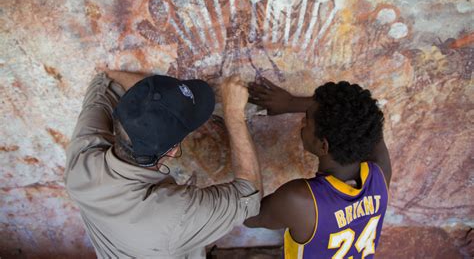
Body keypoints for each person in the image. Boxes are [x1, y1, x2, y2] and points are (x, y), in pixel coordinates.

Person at [65, 71, 262, 258]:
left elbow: (105, 80)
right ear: (172, 151)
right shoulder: (174, 215)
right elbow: (249, 194)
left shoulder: (81, 163)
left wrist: (161, 100)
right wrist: (234, 113)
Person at [245, 78, 391, 259]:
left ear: (323, 145)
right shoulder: (381, 175)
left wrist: (236, 121)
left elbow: (248, 215)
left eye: (307, 120)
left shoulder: (299, 199)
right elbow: (367, 113)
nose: (302, 122)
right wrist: (290, 103)